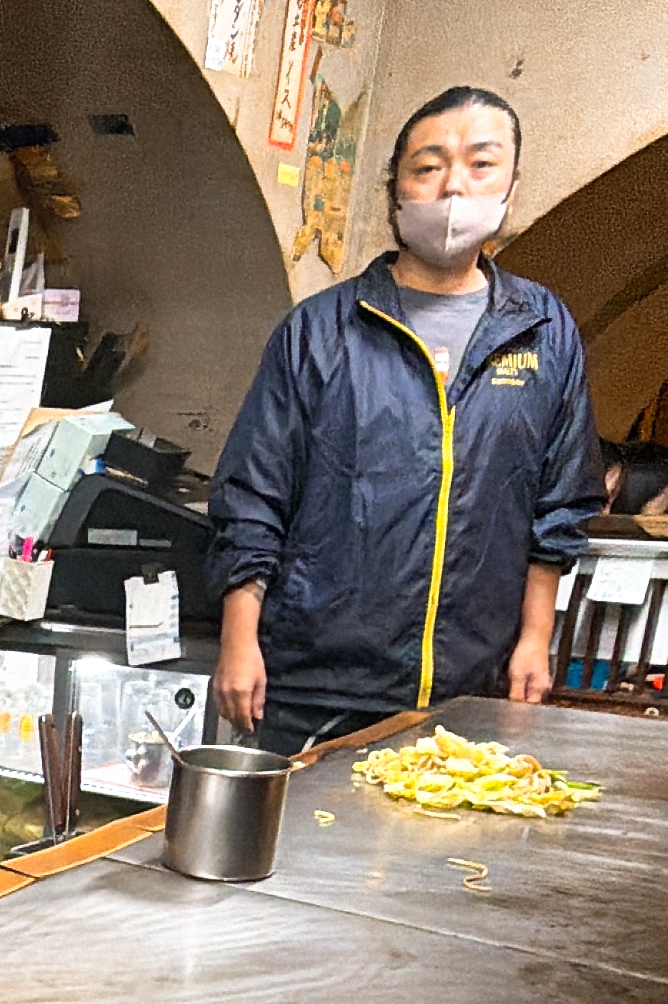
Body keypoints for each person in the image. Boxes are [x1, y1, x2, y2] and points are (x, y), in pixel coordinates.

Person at [208, 85, 603, 751]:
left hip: (471, 684)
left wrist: (535, 639)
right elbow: (253, 493)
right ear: (397, 188)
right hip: (313, 682)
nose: (454, 186)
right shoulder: (320, 330)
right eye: (429, 165)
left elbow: (559, 503)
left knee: (450, 852)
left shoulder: (543, 330)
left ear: (511, 183)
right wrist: (238, 640)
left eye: (481, 164)